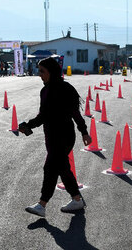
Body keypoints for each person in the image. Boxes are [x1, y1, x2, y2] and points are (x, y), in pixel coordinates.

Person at [18, 57, 93, 217]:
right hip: (51, 136)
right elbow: (43, 116)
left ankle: (42, 204)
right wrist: (28, 126)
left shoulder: (65, 89)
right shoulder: (44, 91)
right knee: (62, 169)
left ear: (51, 72)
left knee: (50, 168)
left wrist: (84, 131)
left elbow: (75, 113)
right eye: (39, 71)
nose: (40, 75)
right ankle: (76, 199)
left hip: (64, 136)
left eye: (42, 72)